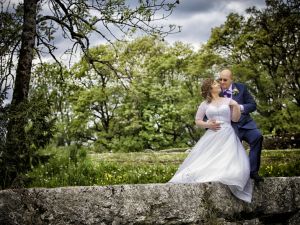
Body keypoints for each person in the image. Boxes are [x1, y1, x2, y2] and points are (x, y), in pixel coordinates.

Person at [169, 78, 253, 203]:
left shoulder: (228, 100)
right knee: (206, 161)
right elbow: (198, 121)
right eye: (214, 84)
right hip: (212, 135)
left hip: (227, 134)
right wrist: (208, 125)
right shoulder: (204, 104)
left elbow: (235, 119)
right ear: (209, 89)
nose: (218, 84)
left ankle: (226, 177)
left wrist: (235, 106)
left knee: (231, 162)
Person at [219, 69, 263, 182]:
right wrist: (209, 124)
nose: (222, 82)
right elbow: (208, 110)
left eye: (225, 80)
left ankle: (253, 172)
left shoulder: (241, 88)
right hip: (230, 127)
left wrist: (239, 107)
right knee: (233, 148)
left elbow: (253, 105)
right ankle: (235, 175)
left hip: (246, 124)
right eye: (220, 79)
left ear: (231, 79)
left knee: (257, 136)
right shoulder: (216, 91)